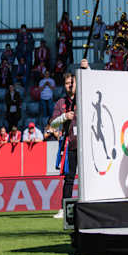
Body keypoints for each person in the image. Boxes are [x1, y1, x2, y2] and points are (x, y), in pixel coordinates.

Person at [50, 69, 79, 218]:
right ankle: (64, 208)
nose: (70, 86)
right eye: (67, 83)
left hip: (85, 145)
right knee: (69, 178)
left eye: (72, 83)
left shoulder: (83, 98)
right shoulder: (61, 103)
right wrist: (64, 117)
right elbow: (52, 124)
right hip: (71, 144)